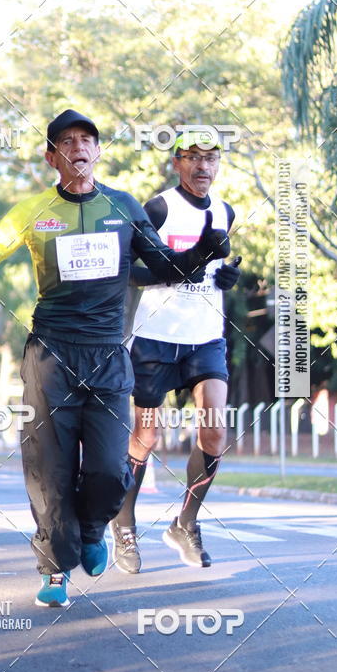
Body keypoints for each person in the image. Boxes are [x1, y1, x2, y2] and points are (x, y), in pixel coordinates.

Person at [0, 110, 230, 606]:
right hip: (50, 355)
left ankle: (94, 529)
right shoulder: (32, 211)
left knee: (107, 468)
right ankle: (55, 570)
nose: (78, 147)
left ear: (97, 152)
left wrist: (202, 252)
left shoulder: (122, 207)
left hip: (108, 356)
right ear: (52, 156)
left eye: (87, 140)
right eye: (67, 141)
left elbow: (164, 266)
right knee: (48, 468)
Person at [111, 128, 241, 573]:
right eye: (193, 158)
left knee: (215, 431)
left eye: (211, 158)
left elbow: (218, 267)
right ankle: (124, 525)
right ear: (177, 162)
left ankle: (185, 523)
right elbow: (130, 272)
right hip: (156, 338)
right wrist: (178, 273)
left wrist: (227, 279)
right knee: (147, 435)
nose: (203, 166)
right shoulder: (159, 207)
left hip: (206, 337)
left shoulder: (226, 211)